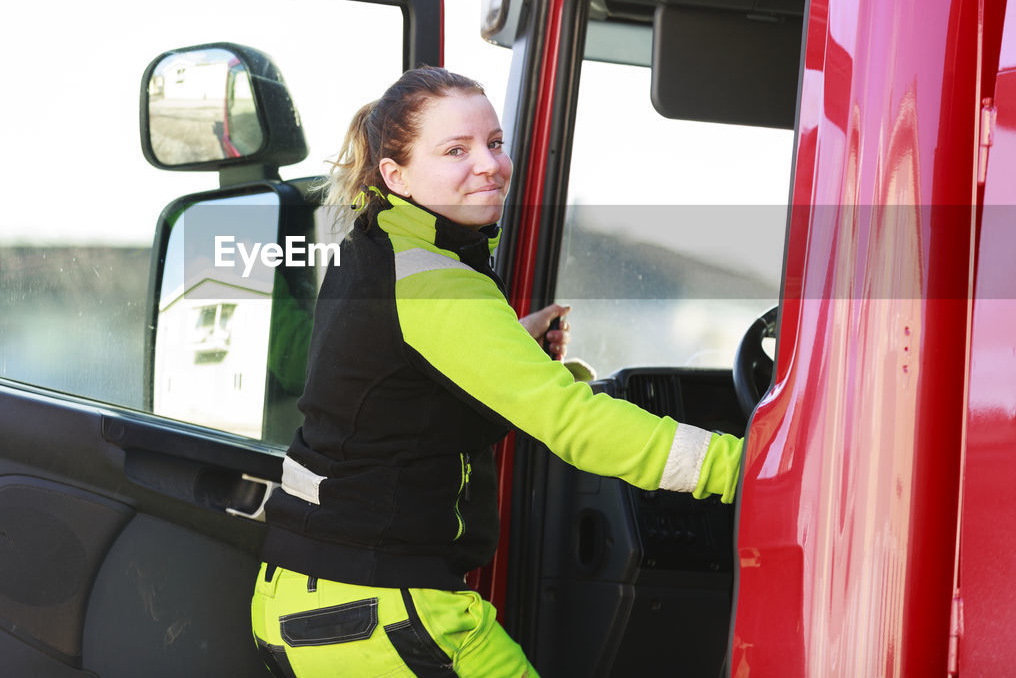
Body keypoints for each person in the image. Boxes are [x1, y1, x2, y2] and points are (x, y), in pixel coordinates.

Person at [250, 67, 742, 677]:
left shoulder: (377, 249)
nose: (488, 164)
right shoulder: (435, 282)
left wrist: (511, 337)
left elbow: (397, 372)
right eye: (456, 150)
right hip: (381, 611)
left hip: (314, 599)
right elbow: (571, 421)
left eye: (495, 143)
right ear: (395, 174)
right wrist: (748, 468)